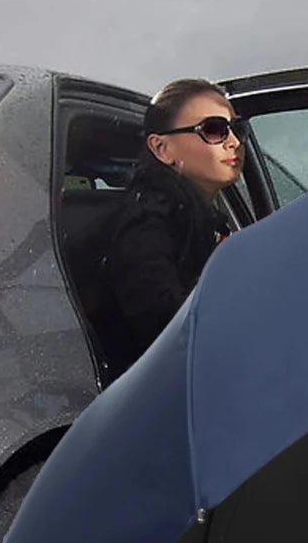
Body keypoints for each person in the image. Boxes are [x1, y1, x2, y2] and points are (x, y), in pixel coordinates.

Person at [100, 78, 244, 380]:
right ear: (161, 148)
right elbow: (167, 332)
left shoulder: (196, 215)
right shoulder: (147, 225)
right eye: (214, 130)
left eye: (236, 128)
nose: (234, 142)